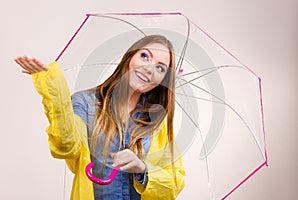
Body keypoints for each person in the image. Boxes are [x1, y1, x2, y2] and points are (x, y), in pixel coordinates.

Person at [14, 35, 185, 200]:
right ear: (130, 57)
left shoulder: (155, 121)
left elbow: (173, 182)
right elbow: (66, 147)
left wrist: (142, 169)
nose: (149, 68)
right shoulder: (85, 104)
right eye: (144, 56)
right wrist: (54, 90)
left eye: (160, 68)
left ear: (163, 79)